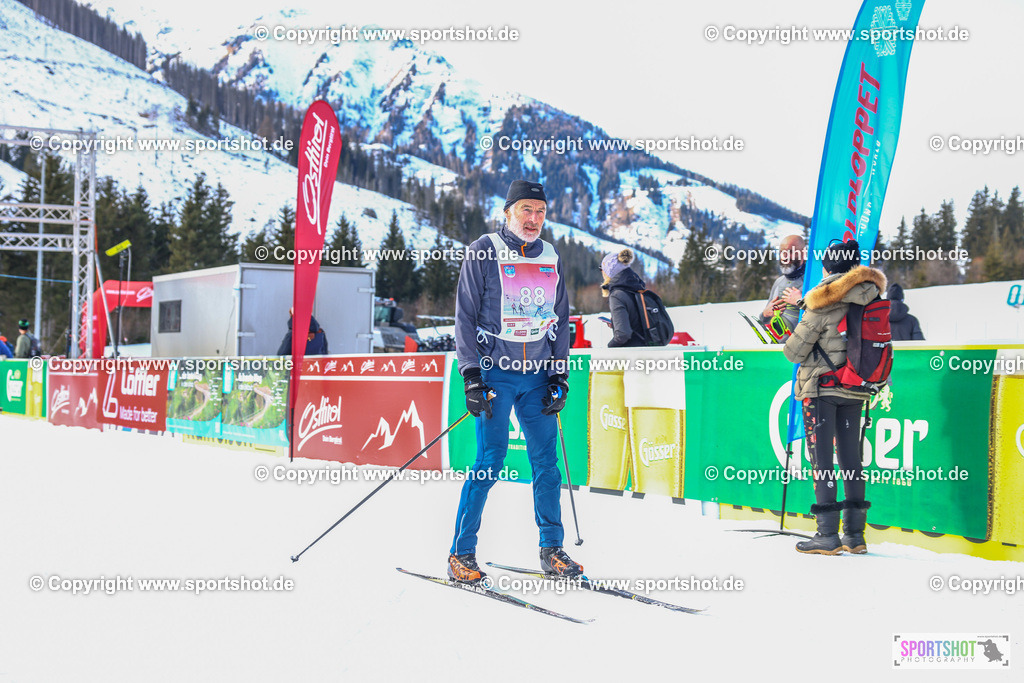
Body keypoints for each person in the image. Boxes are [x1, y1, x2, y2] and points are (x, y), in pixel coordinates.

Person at [449, 179, 580, 583]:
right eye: (526, 210)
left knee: (547, 464)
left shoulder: (552, 256)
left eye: (540, 212)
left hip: (537, 376)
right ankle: (461, 553)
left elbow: (559, 322)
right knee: (490, 461)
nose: (534, 219)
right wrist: (471, 376)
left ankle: (552, 549)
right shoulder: (484, 250)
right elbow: (465, 317)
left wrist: (560, 373)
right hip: (496, 374)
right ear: (507, 211)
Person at [782, 239, 886, 555]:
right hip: (856, 387)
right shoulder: (871, 296)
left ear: (828, 267)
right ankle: (855, 536)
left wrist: (792, 311)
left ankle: (827, 535)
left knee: (823, 461)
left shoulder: (821, 301)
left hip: (822, 389)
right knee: (852, 460)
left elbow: (793, 351)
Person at [760, 234, 806, 337]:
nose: (785, 256)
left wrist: (802, 302)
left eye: (790, 251)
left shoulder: (812, 281)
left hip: (803, 350)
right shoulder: (779, 282)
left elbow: (826, 318)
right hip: (776, 349)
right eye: (782, 252)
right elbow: (765, 323)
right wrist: (765, 315)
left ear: (803, 254)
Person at [601, 248, 647, 348]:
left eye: (602, 269)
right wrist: (616, 322)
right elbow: (637, 322)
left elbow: (623, 334)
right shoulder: (638, 288)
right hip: (648, 350)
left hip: (631, 354)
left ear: (609, 271)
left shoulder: (616, 295)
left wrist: (610, 348)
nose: (602, 272)